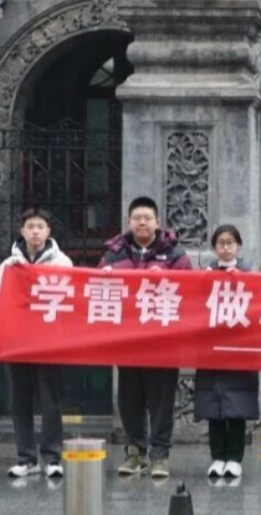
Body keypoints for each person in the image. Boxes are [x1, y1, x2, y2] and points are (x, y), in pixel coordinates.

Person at [99, 196, 193, 478]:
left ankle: (160, 455)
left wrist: (167, 279)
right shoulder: (114, 253)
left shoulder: (175, 255)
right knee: (130, 401)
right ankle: (135, 452)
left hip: (162, 344)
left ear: (157, 222)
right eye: (137, 218)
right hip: (126, 342)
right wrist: (103, 277)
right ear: (129, 222)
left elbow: (191, 291)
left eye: (147, 218)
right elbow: (95, 288)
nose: (142, 222)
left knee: (161, 403)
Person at [0, 209, 73, 479]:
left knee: (50, 401)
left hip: (49, 345)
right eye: (30, 226)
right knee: (19, 401)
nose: (35, 231)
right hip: (17, 342)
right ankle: (26, 457)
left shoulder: (62, 263)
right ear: (21, 231)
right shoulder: (9, 266)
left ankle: (52, 457)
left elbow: (71, 303)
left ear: (48, 231)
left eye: (40, 226)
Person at [198, 224, 260, 481]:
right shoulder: (205, 275)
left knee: (237, 406)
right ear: (214, 247)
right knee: (214, 407)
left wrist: (243, 279)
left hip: (238, 349)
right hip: (211, 349)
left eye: (230, 243)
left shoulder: (249, 274)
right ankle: (217, 457)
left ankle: (234, 458)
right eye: (221, 243)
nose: (225, 248)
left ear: (239, 246)